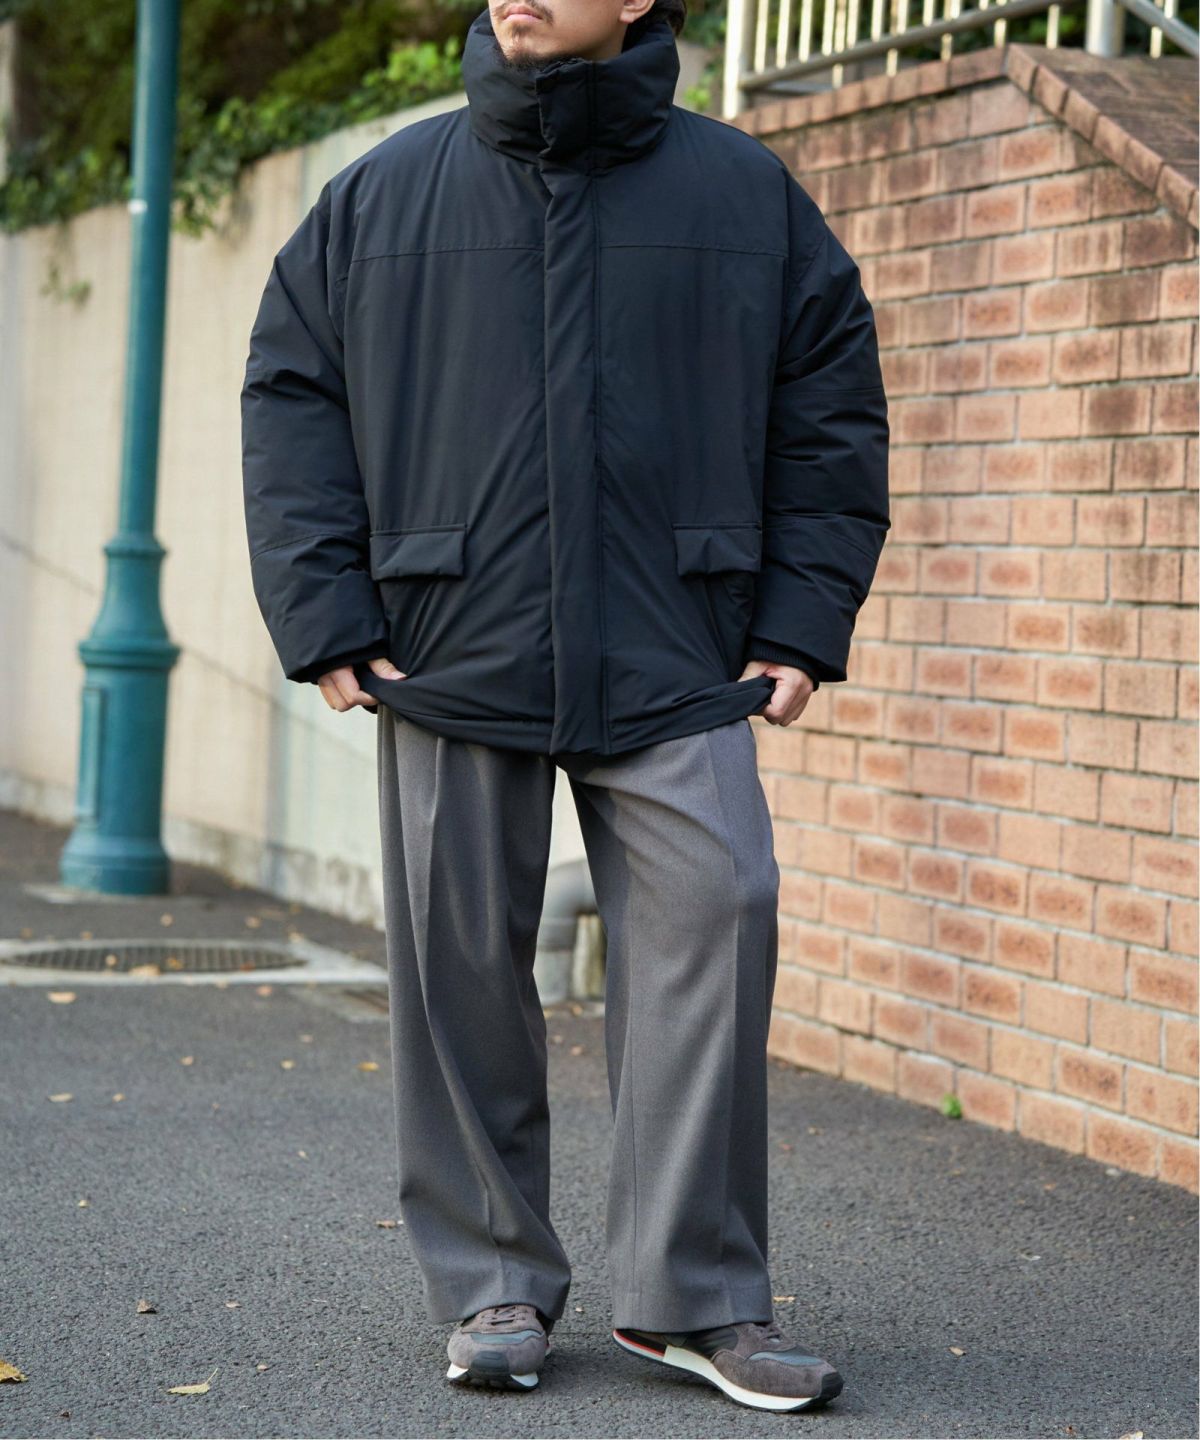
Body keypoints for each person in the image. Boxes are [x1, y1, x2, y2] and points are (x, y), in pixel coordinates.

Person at [241, 0, 889, 1414]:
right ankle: (494, 1280)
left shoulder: (745, 193)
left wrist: (801, 620)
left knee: (722, 905)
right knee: (458, 964)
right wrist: (327, 614)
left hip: (680, 635)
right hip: (446, 637)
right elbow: (292, 398)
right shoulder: (383, 194)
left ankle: (694, 1295)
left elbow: (830, 410)